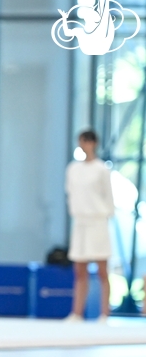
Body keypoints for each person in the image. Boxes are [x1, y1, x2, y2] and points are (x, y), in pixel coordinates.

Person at [64, 130, 114, 323]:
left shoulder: (102, 169)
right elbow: (70, 193)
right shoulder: (73, 169)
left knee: (102, 270)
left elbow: (108, 197)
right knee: (79, 269)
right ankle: (76, 313)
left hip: (98, 221)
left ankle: (104, 313)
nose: (84, 145)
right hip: (80, 222)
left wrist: (106, 215)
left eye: (88, 141)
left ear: (94, 143)